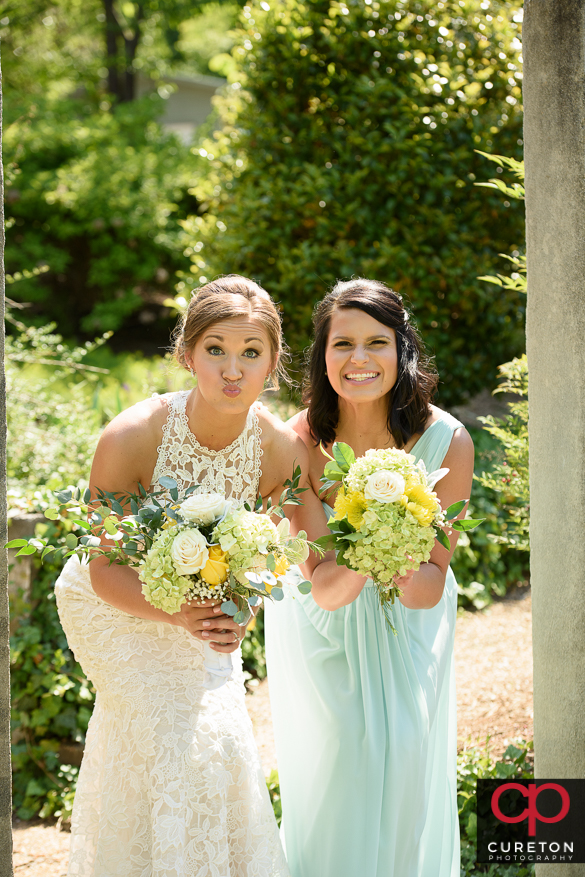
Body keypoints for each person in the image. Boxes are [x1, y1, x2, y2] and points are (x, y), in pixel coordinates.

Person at [55, 275, 311, 877]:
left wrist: (238, 616)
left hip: (201, 603)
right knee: (173, 739)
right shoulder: (133, 434)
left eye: (251, 352)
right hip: (112, 602)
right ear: (187, 353)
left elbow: (266, 558)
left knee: (220, 744)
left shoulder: (277, 451)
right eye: (216, 348)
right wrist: (177, 613)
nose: (233, 369)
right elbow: (101, 568)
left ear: (273, 362)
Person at [264, 278, 474, 877]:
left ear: (402, 351)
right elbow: (325, 588)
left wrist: (402, 548)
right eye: (342, 344)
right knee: (342, 770)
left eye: (376, 343)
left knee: (405, 759)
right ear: (322, 355)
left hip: (409, 627)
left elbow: (431, 584)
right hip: (322, 623)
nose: (359, 359)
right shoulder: (297, 443)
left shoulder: (447, 441)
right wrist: (368, 527)